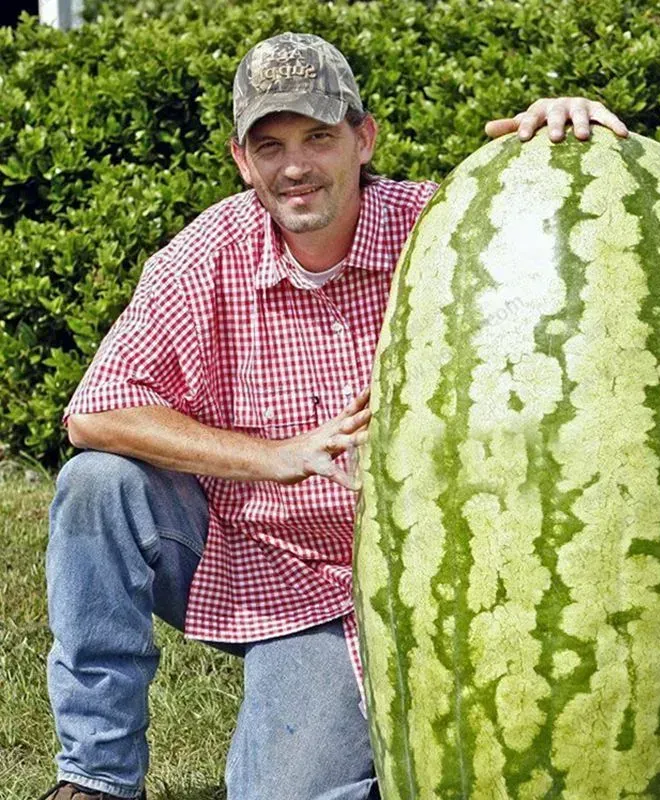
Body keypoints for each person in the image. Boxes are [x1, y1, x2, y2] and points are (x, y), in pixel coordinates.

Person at [39, 32, 628, 800]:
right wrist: (275, 455)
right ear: (241, 160)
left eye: (318, 136)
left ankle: (405, 751)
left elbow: (574, 238)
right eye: (271, 144)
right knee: (97, 485)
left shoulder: (446, 231)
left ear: (363, 138)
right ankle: (96, 778)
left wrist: (565, 138)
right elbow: (94, 413)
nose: (295, 166)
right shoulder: (207, 257)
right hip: (258, 558)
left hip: (420, 580)